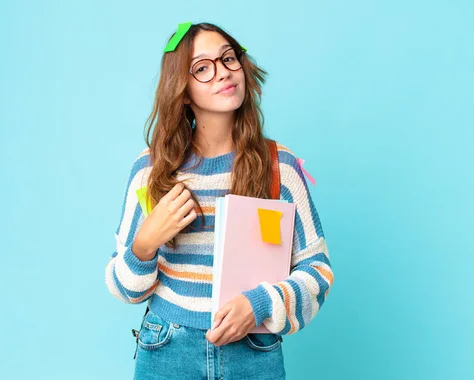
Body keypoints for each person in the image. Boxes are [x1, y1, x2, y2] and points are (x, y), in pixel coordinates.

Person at [105, 22, 334, 380]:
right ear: (182, 91)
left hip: (254, 353)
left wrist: (258, 305)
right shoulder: (151, 170)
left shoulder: (280, 166)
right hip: (167, 350)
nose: (223, 73)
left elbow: (317, 271)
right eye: (202, 67)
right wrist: (145, 244)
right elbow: (123, 289)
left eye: (228, 59)